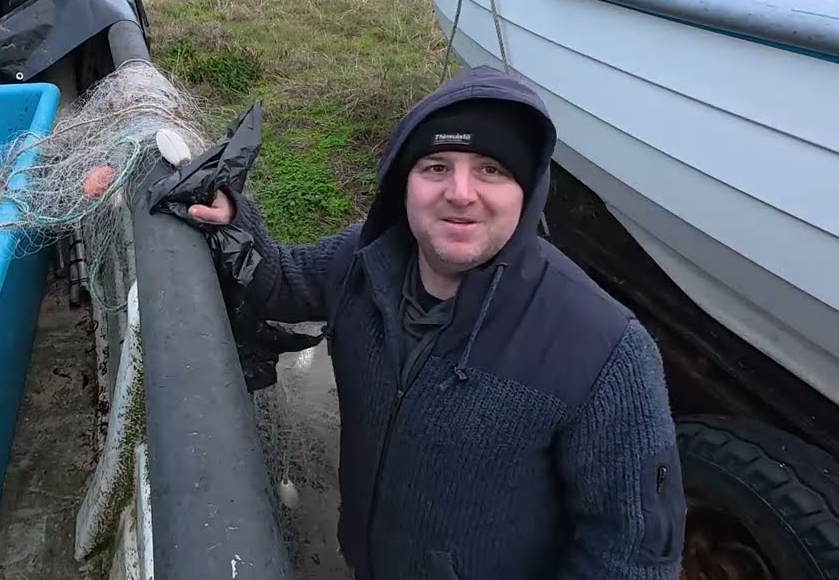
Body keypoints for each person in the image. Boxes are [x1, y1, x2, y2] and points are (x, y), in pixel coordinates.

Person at [187, 66, 686, 580]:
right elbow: (285, 282)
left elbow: (631, 555)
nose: (461, 192)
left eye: (491, 169)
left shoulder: (603, 348)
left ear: (528, 190)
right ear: (404, 182)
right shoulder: (366, 259)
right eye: (436, 166)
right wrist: (232, 218)